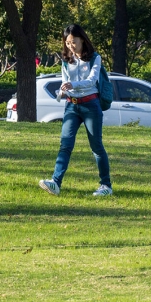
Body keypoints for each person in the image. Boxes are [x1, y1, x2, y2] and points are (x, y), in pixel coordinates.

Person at [39, 24, 113, 197]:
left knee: (97, 147)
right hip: (72, 106)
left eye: (74, 42)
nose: (71, 46)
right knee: (65, 145)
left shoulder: (95, 58)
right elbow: (65, 82)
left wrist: (74, 85)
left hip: (90, 105)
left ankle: (106, 186)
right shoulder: (66, 60)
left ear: (82, 39)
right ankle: (55, 183)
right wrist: (62, 92)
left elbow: (92, 80)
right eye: (67, 42)